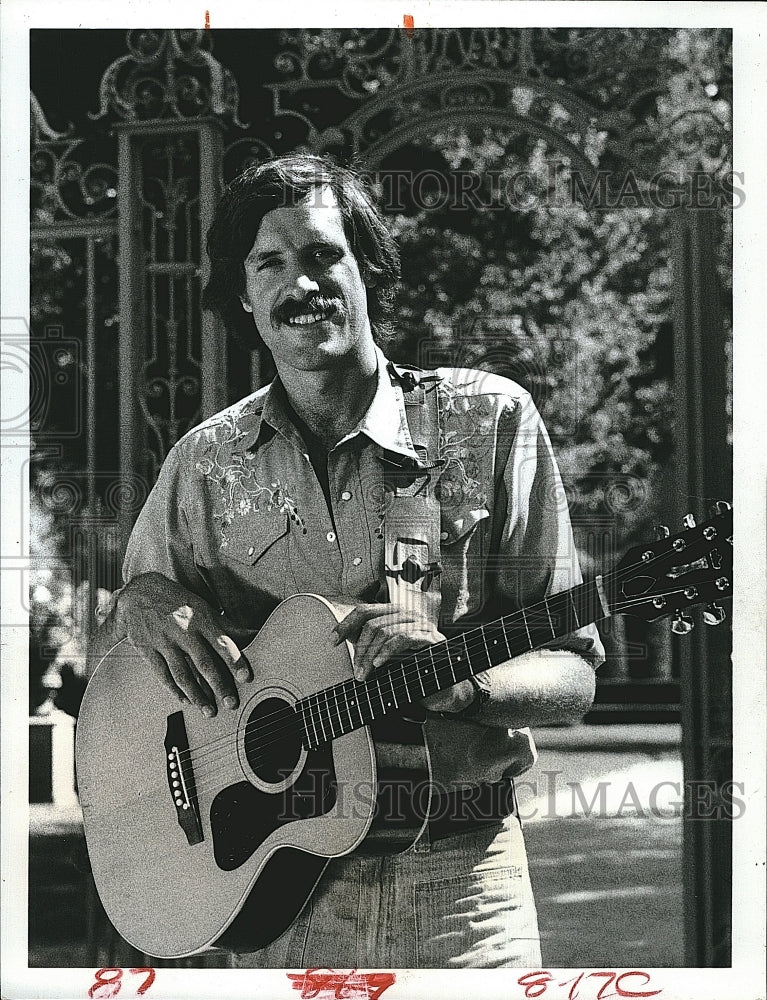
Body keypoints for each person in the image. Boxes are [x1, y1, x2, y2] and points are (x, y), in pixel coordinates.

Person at [92, 154, 604, 969]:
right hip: (280, 887)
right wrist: (142, 597)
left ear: (368, 267)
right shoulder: (204, 464)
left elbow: (573, 677)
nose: (301, 285)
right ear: (244, 297)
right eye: (270, 264)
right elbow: (122, 680)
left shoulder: (489, 421)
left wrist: (465, 683)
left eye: (324, 254)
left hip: (464, 880)